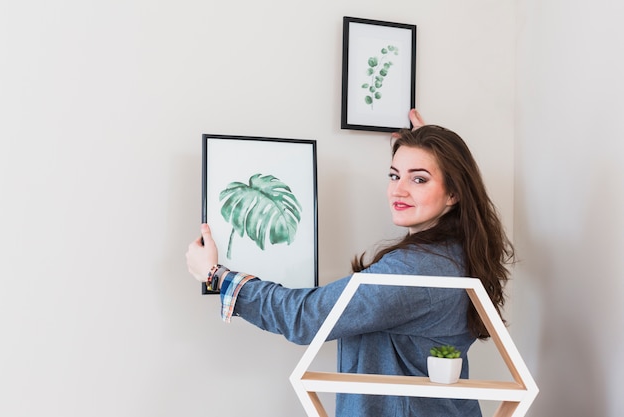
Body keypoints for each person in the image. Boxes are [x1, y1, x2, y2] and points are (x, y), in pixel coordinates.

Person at [186, 109, 514, 417]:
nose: (397, 190)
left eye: (419, 180)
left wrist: (216, 274)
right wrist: (427, 150)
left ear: (454, 193)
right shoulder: (459, 252)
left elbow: (305, 317)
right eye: (394, 174)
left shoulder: (414, 271)